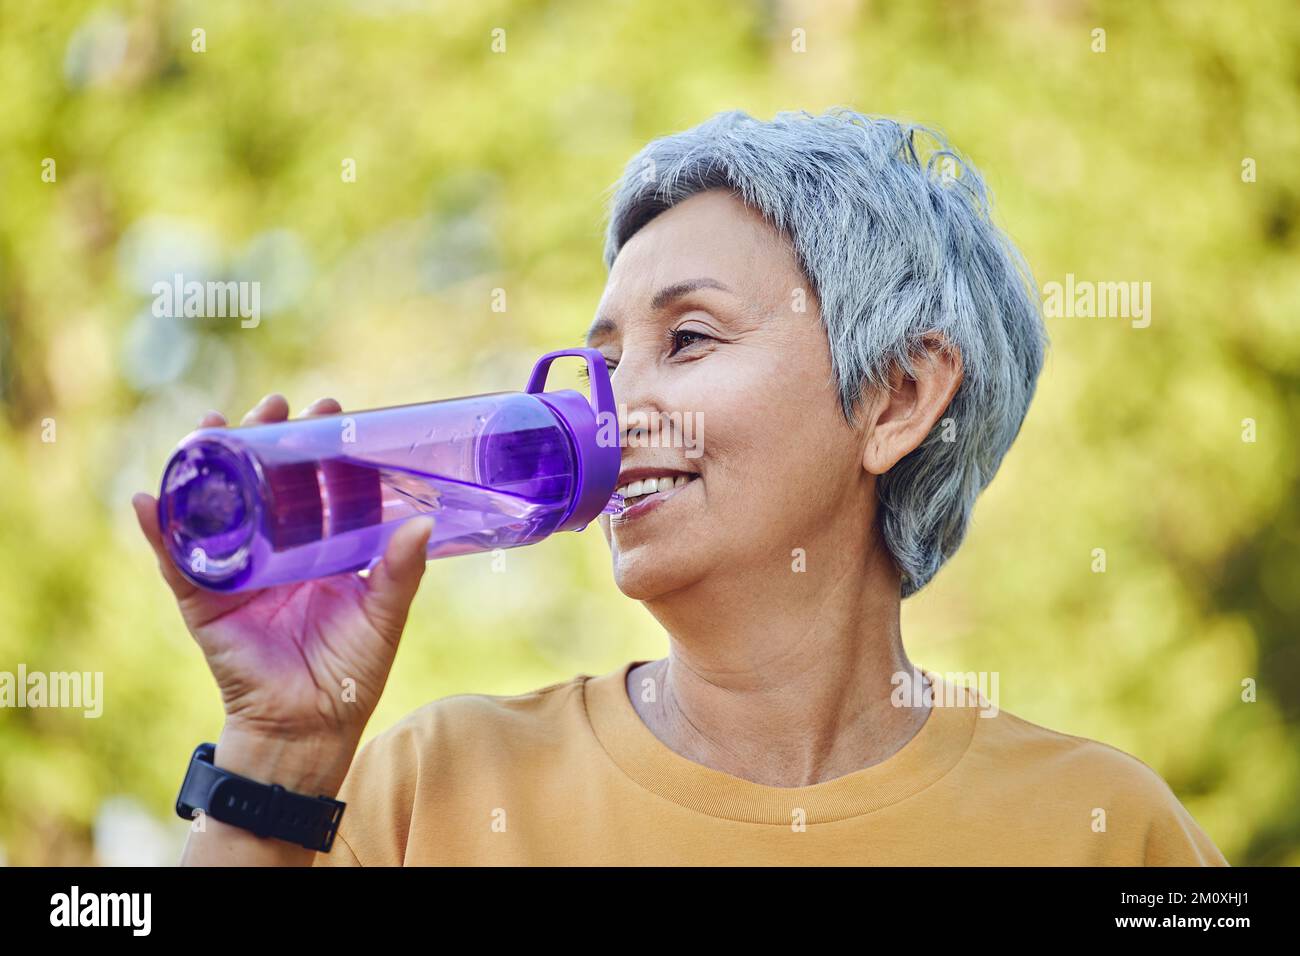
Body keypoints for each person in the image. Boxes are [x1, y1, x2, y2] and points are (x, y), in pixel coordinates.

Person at [133, 108, 1227, 865]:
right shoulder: (436, 790)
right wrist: (273, 757)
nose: (612, 411)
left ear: (897, 396)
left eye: (688, 337)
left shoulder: (1102, 828)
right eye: (602, 364)